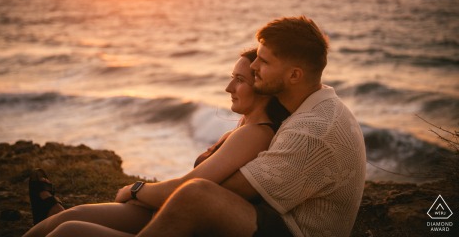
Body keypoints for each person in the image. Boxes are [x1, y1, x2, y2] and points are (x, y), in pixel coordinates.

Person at [52, 15, 366, 237]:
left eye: (264, 61)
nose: (254, 67)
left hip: (292, 231)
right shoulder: (311, 106)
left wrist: (139, 191)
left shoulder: (312, 129)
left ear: (295, 75)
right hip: (273, 219)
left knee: (197, 194)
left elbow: (216, 193)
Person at [23, 48, 290, 237]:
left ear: (263, 88)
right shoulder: (245, 126)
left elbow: (187, 187)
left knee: (69, 230)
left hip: (184, 224)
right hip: (169, 210)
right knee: (69, 217)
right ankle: (52, 212)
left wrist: (135, 190)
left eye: (240, 80)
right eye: (232, 77)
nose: (228, 87)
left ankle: (52, 213)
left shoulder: (256, 134)